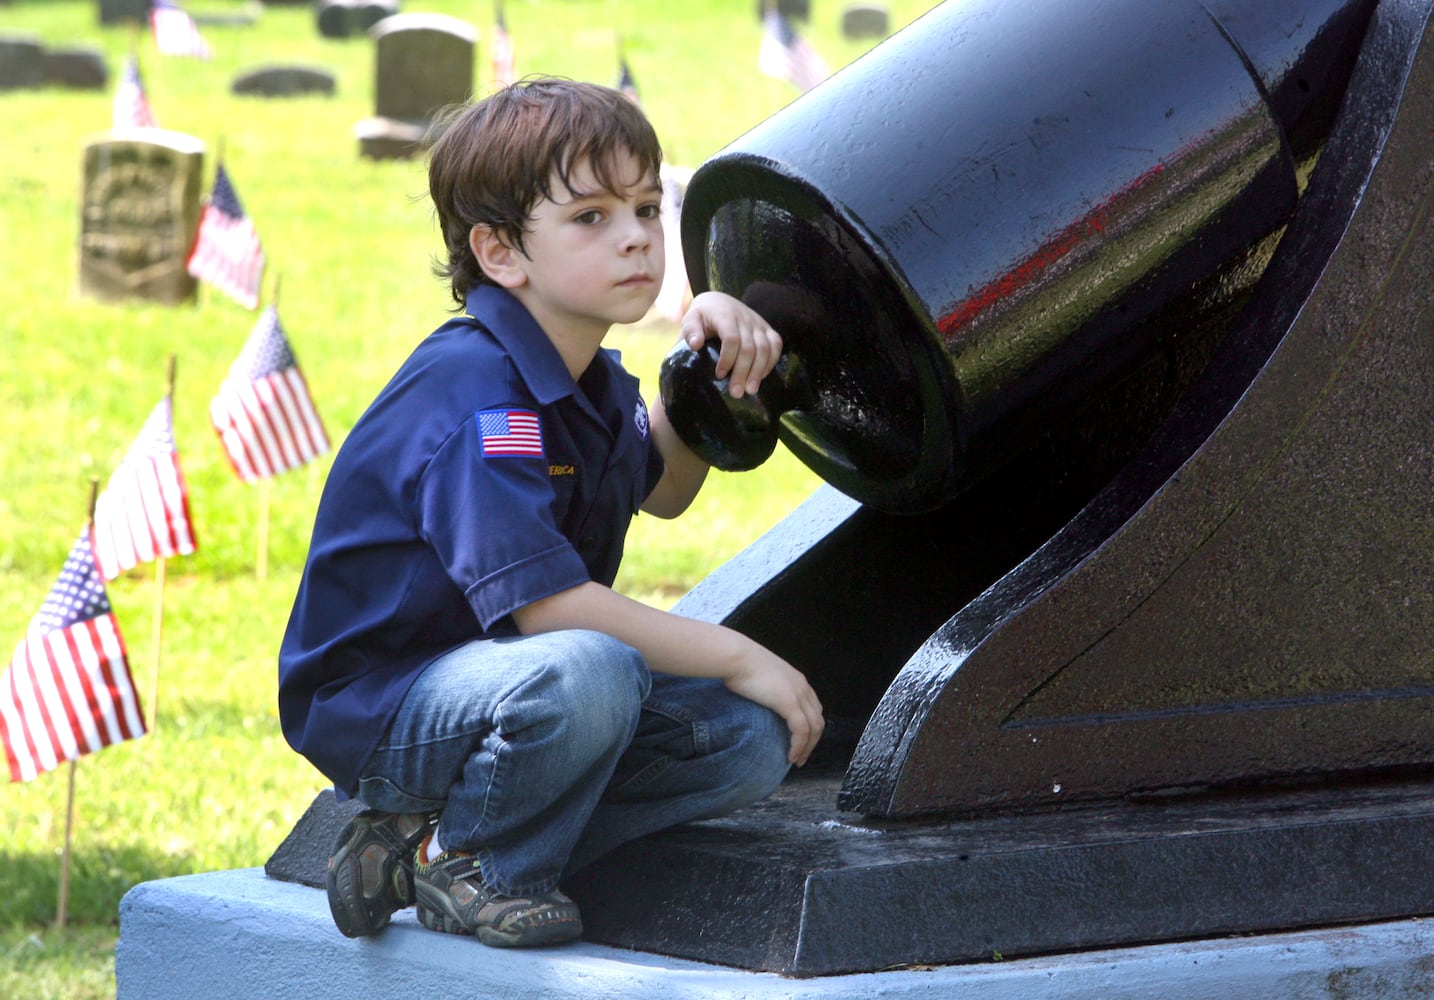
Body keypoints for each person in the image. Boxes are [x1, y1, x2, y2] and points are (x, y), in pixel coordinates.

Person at [277, 78, 824, 950]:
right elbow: (550, 610)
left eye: (647, 208)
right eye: (592, 218)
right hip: (387, 702)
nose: (638, 237)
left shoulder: (593, 380)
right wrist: (738, 648)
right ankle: (485, 869)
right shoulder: (478, 393)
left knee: (749, 737)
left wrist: (707, 356)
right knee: (591, 669)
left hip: (507, 685)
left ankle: (426, 844)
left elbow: (666, 488)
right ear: (500, 253)